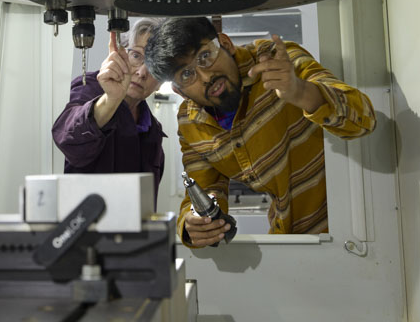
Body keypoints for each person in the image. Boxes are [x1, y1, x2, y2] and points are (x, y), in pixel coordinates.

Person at [144, 17, 376, 247]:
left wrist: (300, 91)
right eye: (186, 74)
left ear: (225, 43)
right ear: (178, 90)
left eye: (205, 56)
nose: (206, 77)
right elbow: (205, 188)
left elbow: (364, 117)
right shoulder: (190, 123)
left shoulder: (276, 61)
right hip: (291, 237)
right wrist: (194, 222)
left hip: (357, 228)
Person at [52, 18, 166, 202]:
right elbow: (69, 139)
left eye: (156, 66)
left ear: (161, 82)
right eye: (136, 56)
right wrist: (111, 99)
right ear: (121, 54)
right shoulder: (90, 87)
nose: (142, 72)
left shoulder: (154, 132)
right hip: (86, 226)